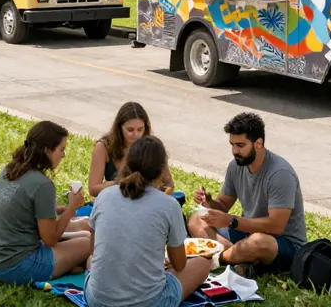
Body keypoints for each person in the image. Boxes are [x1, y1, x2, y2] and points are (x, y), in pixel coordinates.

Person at [85, 136, 211, 307]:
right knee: (203, 263)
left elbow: (94, 250)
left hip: (97, 300)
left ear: (126, 163)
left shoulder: (104, 196)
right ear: (161, 170)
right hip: (149, 302)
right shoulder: (169, 204)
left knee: (92, 263)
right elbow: (180, 265)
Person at [188, 112, 306, 276]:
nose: (234, 151)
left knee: (258, 242)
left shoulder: (280, 174)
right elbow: (223, 205)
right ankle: (239, 257)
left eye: (240, 145)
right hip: (247, 231)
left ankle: (217, 258)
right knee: (197, 218)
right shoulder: (236, 166)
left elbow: (276, 226)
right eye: (232, 145)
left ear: (258, 143)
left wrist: (231, 221)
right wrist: (209, 203)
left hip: (282, 243)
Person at [0, 120, 91, 285]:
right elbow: (50, 240)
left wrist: (54, 209)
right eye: (61, 149)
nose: (63, 155)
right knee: (89, 242)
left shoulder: (10, 169)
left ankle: (71, 264)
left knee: (84, 231)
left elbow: (20, 204)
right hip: (14, 266)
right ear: (47, 150)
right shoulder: (42, 185)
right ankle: (70, 264)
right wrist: (71, 208)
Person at [89, 102, 175, 197]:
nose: (136, 135)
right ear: (119, 128)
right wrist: (122, 183)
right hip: (117, 200)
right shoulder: (104, 147)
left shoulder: (152, 147)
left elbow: (168, 183)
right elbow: (93, 189)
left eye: (140, 129)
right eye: (130, 130)